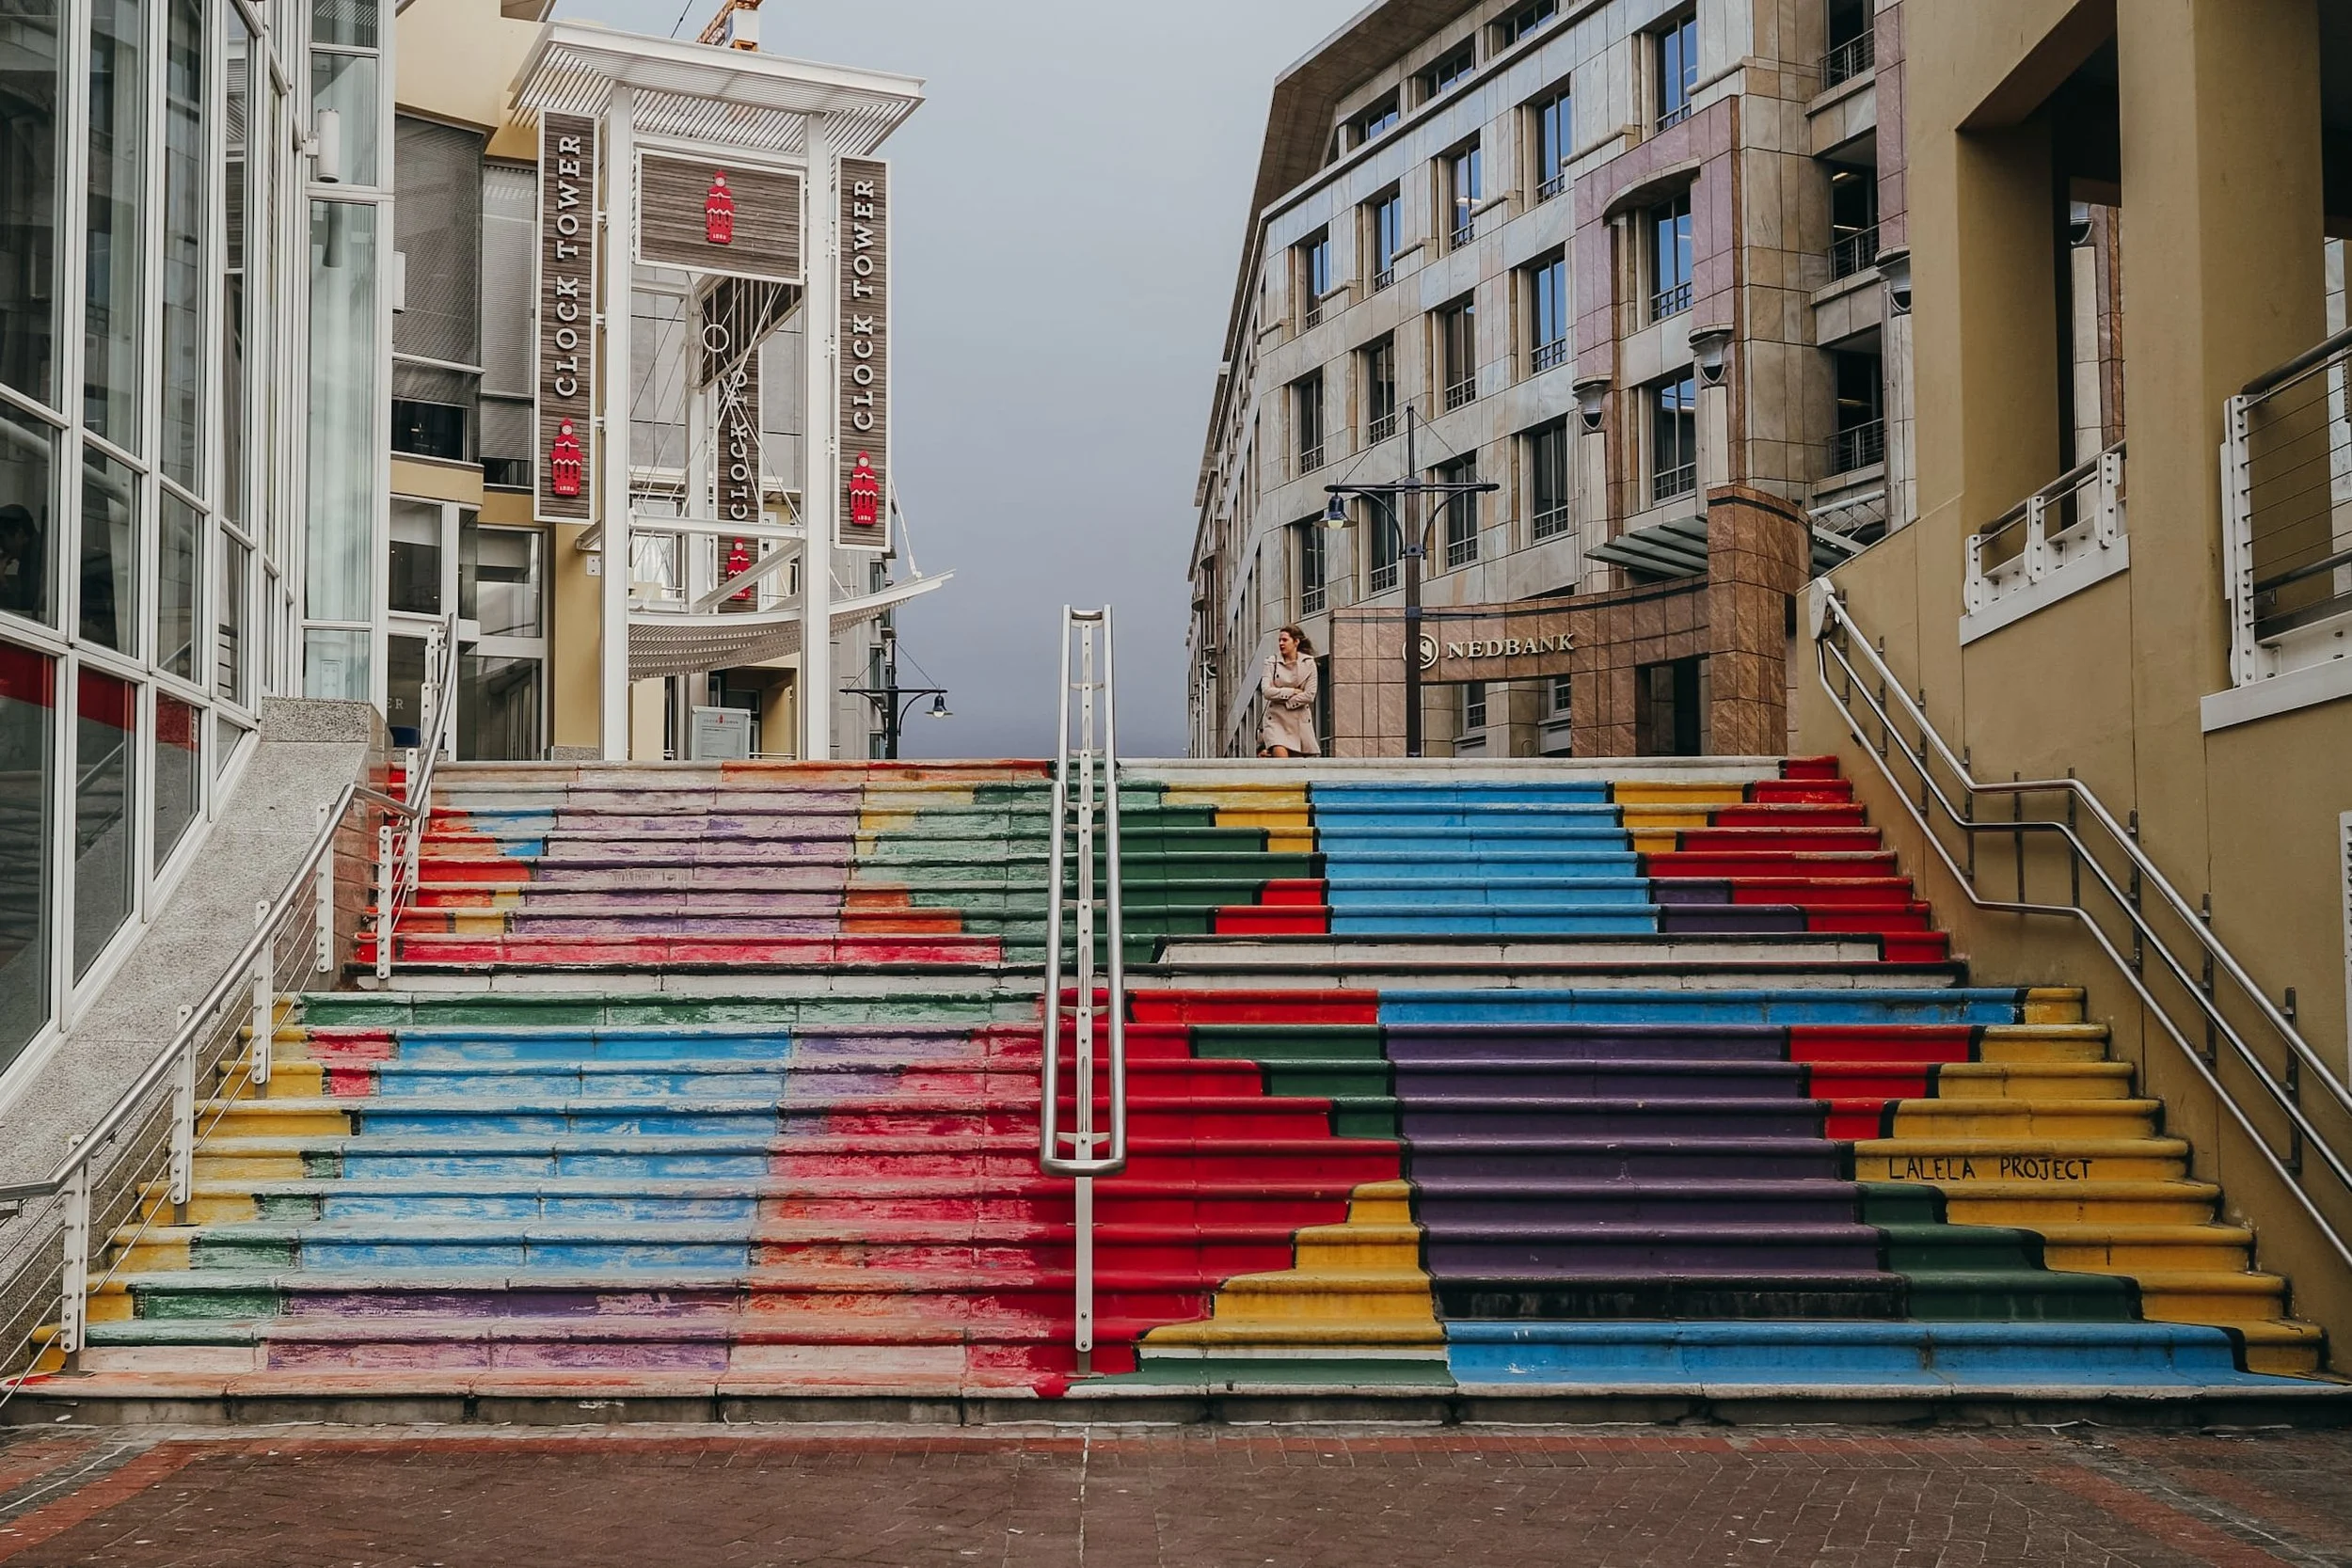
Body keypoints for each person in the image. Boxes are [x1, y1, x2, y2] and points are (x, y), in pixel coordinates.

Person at [1259, 626, 1320, 758]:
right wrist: (1292, 691)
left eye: (1285, 640)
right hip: (1276, 719)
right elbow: (1267, 692)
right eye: (1279, 640)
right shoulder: (1271, 662)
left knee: (1296, 769)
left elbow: (1310, 695)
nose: (1281, 643)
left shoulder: (1309, 663)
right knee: (1281, 758)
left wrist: (1287, 701)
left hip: (1299, 721)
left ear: (1296, 642)